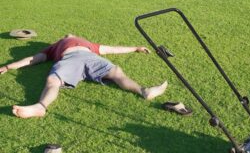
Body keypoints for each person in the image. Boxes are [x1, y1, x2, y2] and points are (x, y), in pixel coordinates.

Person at [0, 34, 168, 118]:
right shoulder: (55, 46)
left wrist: (135, 48)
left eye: (70, 34)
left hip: (91, 58)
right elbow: (34, 59)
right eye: (66, 35)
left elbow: (111, 49)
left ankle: (144, 91)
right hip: (69, 60)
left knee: (116, 71)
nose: (69, 34)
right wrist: (8, 66)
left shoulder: (89, 45)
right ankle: (40, 107)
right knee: (53, 81)